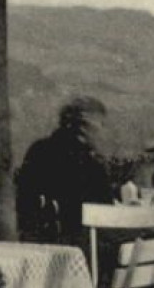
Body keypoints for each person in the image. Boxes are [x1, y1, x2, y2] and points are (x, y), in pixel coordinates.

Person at [15, 96, 113, 247]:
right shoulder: (91, 164)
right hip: (82, 249)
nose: (104, 131)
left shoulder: (38, 150)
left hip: (38, 244)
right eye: (102, 124)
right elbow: (106, 211)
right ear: (84, 127)